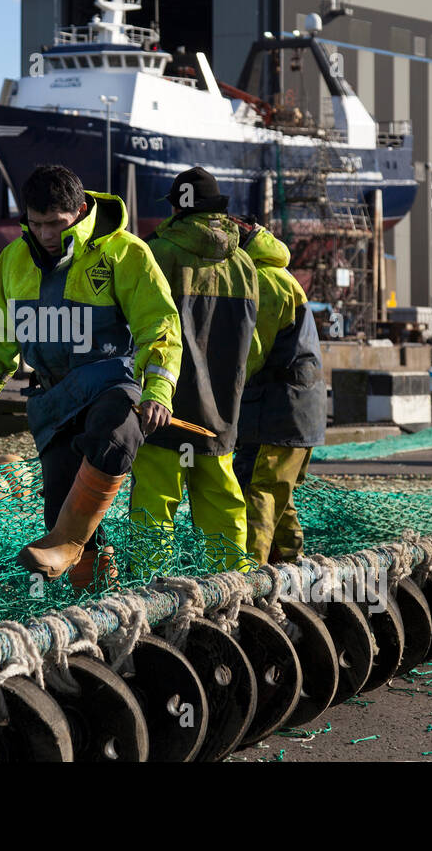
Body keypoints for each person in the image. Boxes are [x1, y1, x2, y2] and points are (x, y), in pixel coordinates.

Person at [0, 165, 182, 583]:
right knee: (59, 505)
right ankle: (92, 599)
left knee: (115, 433)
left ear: (80, 211)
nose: (45, 234)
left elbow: (161, 326)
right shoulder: (12, 260)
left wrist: (159, 390)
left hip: (111, 384)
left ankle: (68, 541)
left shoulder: (125, 253)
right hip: (54, 399)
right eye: (36, 223)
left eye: (56, 224)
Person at [129, 167, 260, 570]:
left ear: (174, 209)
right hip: (221, 413)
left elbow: (138, 331)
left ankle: (151, 604)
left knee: (155, 511)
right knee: (224, 506)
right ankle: (234, 597)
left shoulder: (154, 253)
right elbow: (252, 348)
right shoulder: (245, 266)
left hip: (163, 410)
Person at [233, 221, 326, 566]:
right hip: (300, 412)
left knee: (255, 491)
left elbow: (252, 353)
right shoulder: (279, 275)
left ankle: (249, 580)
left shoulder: (264, 280)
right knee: (279, 495)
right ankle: (292, 569)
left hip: (278, 411)